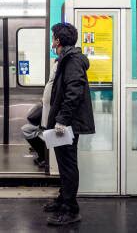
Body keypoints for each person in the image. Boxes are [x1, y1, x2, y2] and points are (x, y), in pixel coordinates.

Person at [44, 23, 95, 226]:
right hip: (64, 122)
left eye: (53, 37)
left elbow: (74, 92)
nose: (52, 41)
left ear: (58, 40)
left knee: (68, 165)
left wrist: (62, 120)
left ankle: (71, 209)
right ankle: (63, 199)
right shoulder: (66, 58)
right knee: (64, 164)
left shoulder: (72, 60)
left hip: (68, 123)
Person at [21, 61, 58, 167]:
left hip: (51, 122)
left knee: (27, 130)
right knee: (27, 129)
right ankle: (43, 155)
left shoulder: (57, 87)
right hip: (45, 119)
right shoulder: (52, 85)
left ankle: (44, 157)